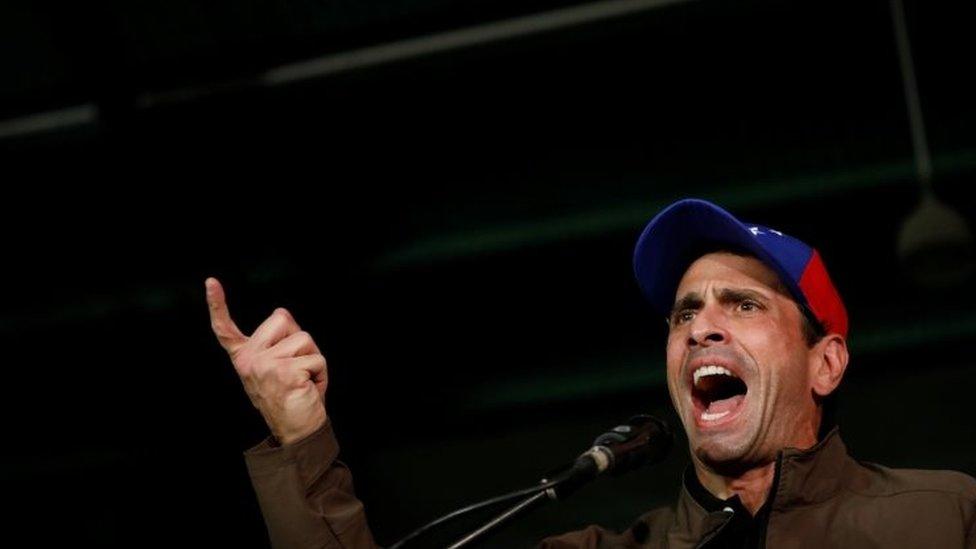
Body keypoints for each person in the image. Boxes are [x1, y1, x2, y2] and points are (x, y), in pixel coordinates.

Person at [207, 198, 976, 548]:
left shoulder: (946, 517)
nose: (701, 325)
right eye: (683, 313)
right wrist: (302, 438)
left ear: (826, 362)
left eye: (742, 305)